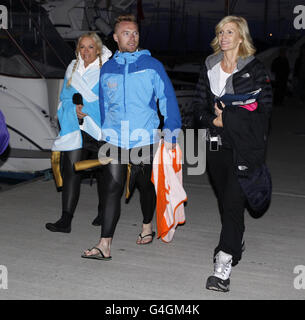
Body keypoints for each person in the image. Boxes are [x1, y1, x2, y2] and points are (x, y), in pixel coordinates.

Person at [81, 14, 181, 260]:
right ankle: (104, 244)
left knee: (145, 185)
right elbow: (104, 103)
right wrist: (104, 130)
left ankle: (147, 225)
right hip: (115, 139)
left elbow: (167, 99)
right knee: (112, 188)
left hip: (144, 138)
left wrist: (171, 133)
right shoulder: (109, 68)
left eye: (135, 32)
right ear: (115, 38)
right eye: (126, 33)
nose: (132, 37)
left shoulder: (152, 65)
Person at [191, 16, 272, 292]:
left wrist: (231, 119)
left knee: (235, 203)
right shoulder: (209, 66)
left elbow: (265, 112)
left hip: (243, 148)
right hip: (215, 146)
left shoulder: (256, 69)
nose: (224, 36)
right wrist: (213, 122)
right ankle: (235, 241)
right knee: (226, 202)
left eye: (230, 32)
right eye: (221, 32)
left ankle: (222, 268)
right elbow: (198, 107)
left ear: (241, 38)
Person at [45, 32, 112, 233]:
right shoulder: (72, 67)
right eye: (82, 47)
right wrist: (73, 110)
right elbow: (65, 98)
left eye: (90, 47)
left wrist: (88, 109)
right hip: (76, 126)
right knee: (71, 169)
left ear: (98, 49)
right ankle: (66, 219)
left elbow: (109, 100)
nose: (85, 52)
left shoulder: (106, 69)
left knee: (102, 173)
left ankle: (103, 211)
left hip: (99, 128)